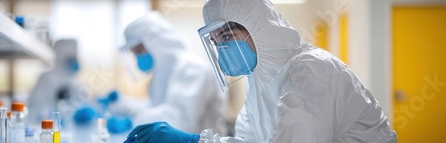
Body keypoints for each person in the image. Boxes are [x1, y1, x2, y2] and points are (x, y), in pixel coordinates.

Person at [123, 0, 398, 143]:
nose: (223, 48)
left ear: (259, 28)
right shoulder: (260, 84)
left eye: (228, 35)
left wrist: (193, 140)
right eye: (217, 41)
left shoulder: (311, 70)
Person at [110, 12, 228, 135]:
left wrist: (132, 122)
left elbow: (180, 121)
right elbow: (155, 107)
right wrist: (121, 103)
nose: (138, 57)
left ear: (158, 42)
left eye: (139, 50)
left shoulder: (192, 68)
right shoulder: (162, 73)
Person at [27, 39, 87, 126]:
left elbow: (80, 102)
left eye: (75, 57)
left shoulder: (73, 80)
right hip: (47, 127)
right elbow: (36, 108)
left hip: (68, 127)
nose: (75, 61)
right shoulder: (47, 78)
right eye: (71, 58)